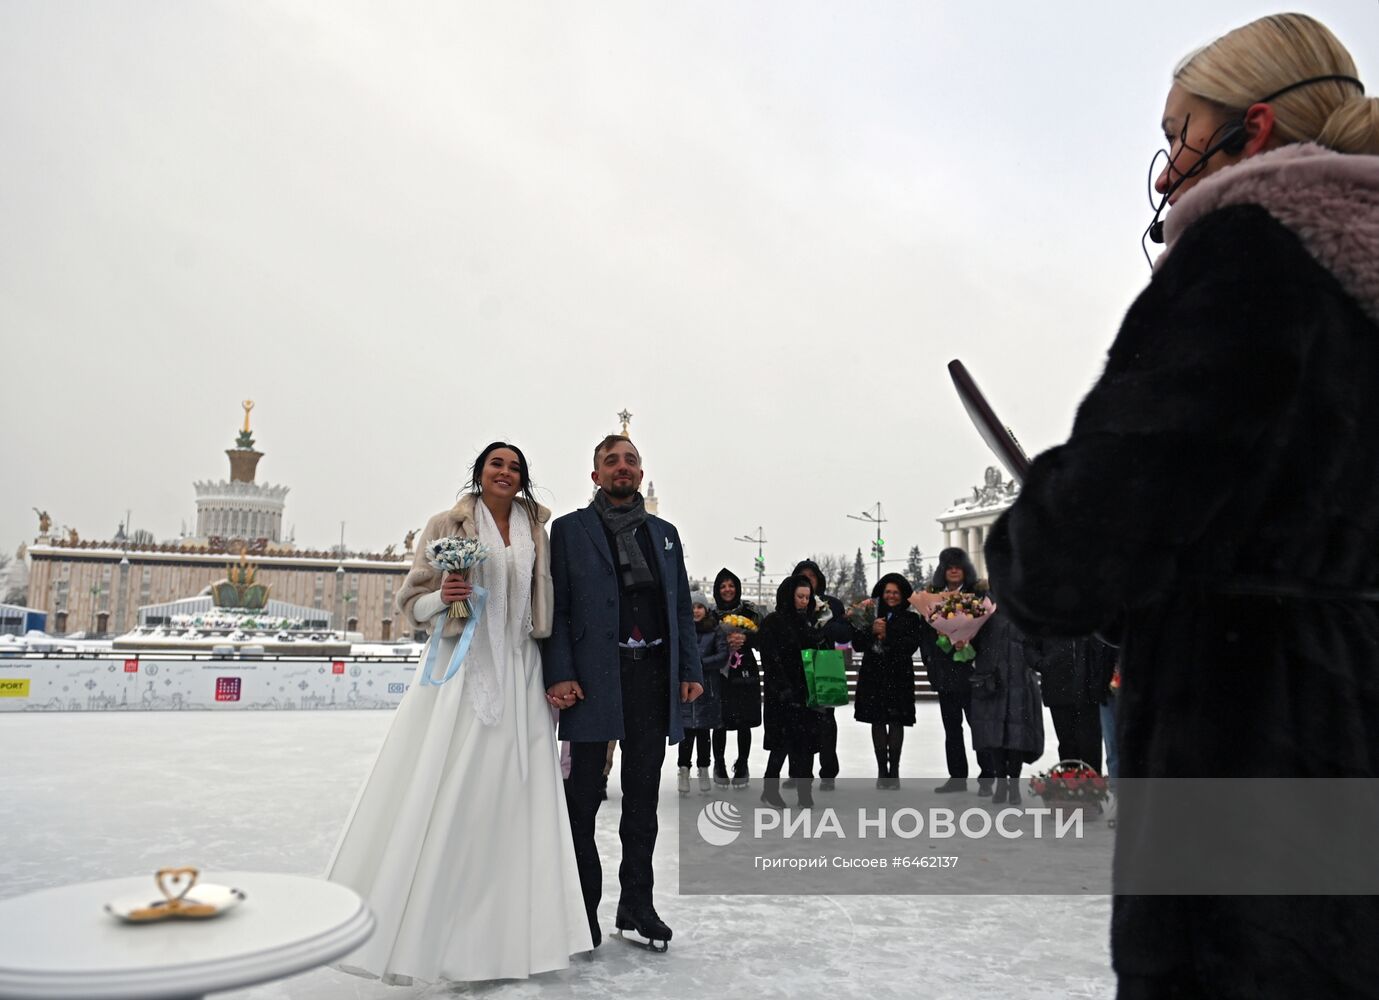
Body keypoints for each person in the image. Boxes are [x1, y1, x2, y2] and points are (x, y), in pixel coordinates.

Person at [983, 13, 1379, 998]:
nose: (1164, 173)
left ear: (1249, 131)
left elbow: (1075, 554)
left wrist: (1045, 510)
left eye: (1176, 135)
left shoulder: (1246, 255)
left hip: (1243, 754)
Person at [326, 442, 590, 984]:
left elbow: (546, 606)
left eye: (515, 466)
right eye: (497, 463)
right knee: (456, 795)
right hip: (463, 668)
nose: (506, 472)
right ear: (479, 472)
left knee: (518, 801)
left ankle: (514, 939)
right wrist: (443, 596)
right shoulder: (446, 524)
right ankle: (440, 934)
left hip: (521, 670)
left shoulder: (537, 530)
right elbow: (411, 605)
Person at [544, 434, 703, 952]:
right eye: (611, 461)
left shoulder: (665, 534)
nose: (622, 468)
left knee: (641, 803)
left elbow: (680, 607)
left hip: (651, 678)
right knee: (582, 799)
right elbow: (557, 609)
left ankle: (637, 904)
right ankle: (580, 908)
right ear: (595, 475)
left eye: (630, 461)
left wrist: (690, 667)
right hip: (593, 681)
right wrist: (560, 672)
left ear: (640, 473)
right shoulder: (568, 531)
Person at [913, 548, 997, 794]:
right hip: (945, 672)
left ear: (965, 569)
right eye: (948, 566)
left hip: (972, 673)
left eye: (957, 565)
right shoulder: (932, 597)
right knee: (952, 728)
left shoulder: (979, 595)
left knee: (978, 725)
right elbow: (925, 634)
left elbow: (988, 630)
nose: (953, 570)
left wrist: (969, 642)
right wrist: (931, 658)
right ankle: (957, 777)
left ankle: (987, 775)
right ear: (942, 569)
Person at [758, 574, 830, 807]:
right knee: (782, 743)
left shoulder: (811, 621)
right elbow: (771, 659)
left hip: (807, 691)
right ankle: (770, 788)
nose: (804, 601)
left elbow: (819, 653)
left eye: (808, 597)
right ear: (789, 596)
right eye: (800, 596)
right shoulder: (773, 622)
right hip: (782, 693)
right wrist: (783, 688)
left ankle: (804, 791)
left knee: (807, 744)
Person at [966, 599, 1044, 805]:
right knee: (995, 737)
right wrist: (960, 640)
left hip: (1021, 683)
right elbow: (970, 647)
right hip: (993, 683)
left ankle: (1014, 784)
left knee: (1016, 737)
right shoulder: (984, 615)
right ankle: (1001, 782)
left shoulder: (1028, 615)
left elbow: (1037, 646)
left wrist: (1043, 664)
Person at [851, 573, 923, 789]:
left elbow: (910, 645)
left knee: (896, 721)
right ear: (881, 594)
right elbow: (857, 644)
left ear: (903, 596)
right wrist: (872, 631)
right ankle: (882, 769)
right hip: (874, 675)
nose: (891, 596)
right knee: (878, 721)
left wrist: (888, 634)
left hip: (898, 675)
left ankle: (895, 770)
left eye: (896, 593)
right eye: (888, 592)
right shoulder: (868, 614)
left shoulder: (911, 619)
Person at [791, 559, 852, 789]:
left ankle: (828, 771)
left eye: (812, 577)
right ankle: (797, 771)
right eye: (802, 577)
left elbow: (846, 633)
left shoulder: (832, 604)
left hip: (825, 663)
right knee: (796, 719)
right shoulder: (790, 603)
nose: (808, 581)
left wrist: (824, 622)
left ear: (819, 580)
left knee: (826, 721)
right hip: (797, 664)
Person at [711, 568, 763, 788]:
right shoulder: (711, 614)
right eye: (723, 586)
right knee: (719, 720)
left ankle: (742, 764)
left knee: (744, 720)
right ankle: (719, 764)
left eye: (731, 585)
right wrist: (724, 643)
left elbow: (763, 638)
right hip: (720, 672)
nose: (727, 589)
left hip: (745, 672)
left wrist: (746, 638)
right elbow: (702, 639)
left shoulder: (750, 611)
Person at [1033, 636, 1113, 772]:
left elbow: (1103, 643)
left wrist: (1099, 673)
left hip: (1089, 689)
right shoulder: (1048, 617)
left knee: (1091, 744)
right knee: (1067, 743)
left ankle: (1093, 787)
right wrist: (1043, 663)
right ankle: (1070, 788)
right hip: (1058, 687)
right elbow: (1030, 645)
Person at [678, 592, 726, 794]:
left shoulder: (715, 630)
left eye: (699, 606)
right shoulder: (683, 630)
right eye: (693, 607)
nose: (696, 611)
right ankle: (683, 770)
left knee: (704, 733)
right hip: (687, 689)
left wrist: (699, 665)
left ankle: (704, 768)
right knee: (686, 733)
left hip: (708, 689)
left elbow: (722, 655)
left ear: (706, 609)